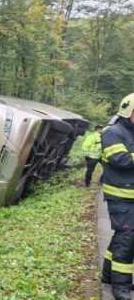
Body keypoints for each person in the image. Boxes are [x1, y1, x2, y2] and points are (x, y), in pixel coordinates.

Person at [100, 93, 134, 300]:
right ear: (129, 111)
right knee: (127, 239)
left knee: (121, 237)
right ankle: (120, 286)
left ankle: (107, 275)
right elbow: (120, 159)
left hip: (129, 197)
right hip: (120, 198)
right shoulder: (112, 132)